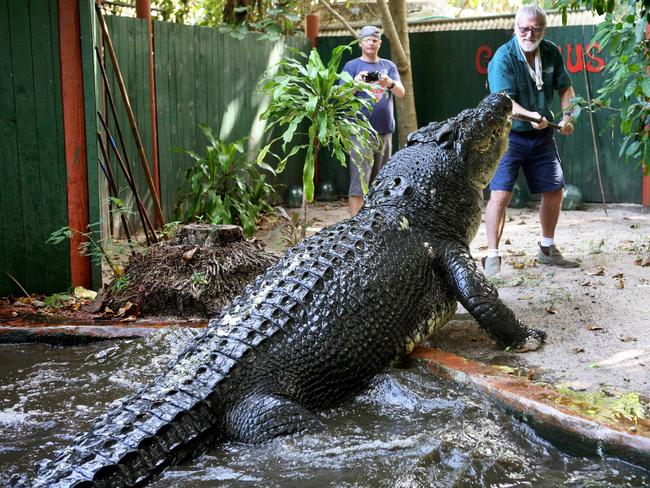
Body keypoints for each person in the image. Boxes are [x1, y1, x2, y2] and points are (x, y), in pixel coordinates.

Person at [482, 4, 578, 277]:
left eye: (535, 28)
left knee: (554, 190)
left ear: (543, 30)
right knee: (500, 194)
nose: (529, 33)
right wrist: (531, 115)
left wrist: (568, 115)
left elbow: (566, 88)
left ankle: (547, 249)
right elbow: (504, 102)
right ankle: (491, 256)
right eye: (524, 28)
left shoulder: (551, 52)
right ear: (515, 28)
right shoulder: (503, 57)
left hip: (542, 135)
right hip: (507, 136)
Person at [341, 25, 405, 216]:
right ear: (360, 43)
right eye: (367, 39)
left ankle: (376, 227)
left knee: (382, 183)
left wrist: (389, 82)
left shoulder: (389, 66)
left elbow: (401, 92)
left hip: (384, 133)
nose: (371, 43)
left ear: (379, 43)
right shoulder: (351, 67)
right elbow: (341, 97)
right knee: (359, 183)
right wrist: (355, 84)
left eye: (375, 40)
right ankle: (355, 229)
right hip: (360, 133)